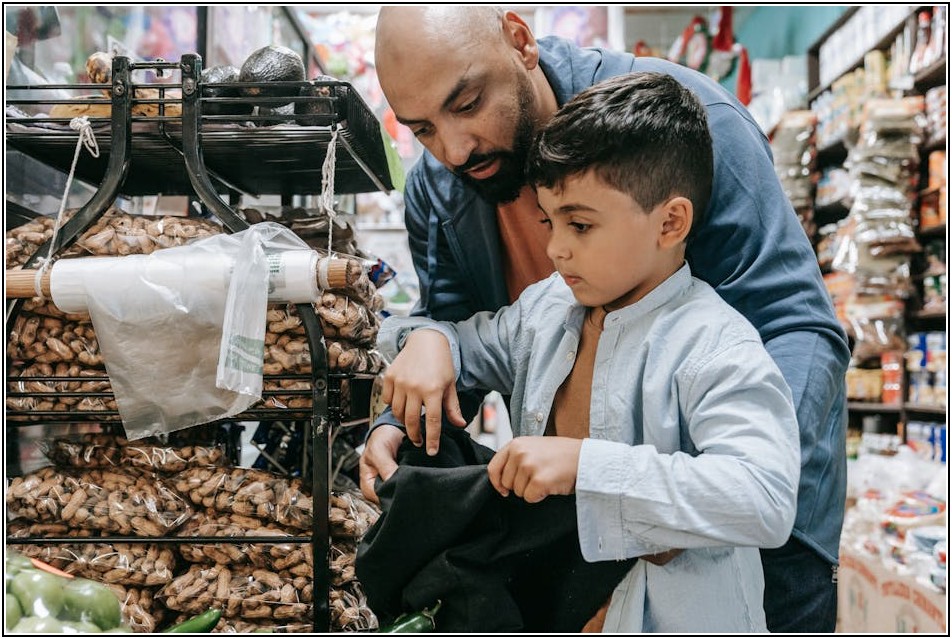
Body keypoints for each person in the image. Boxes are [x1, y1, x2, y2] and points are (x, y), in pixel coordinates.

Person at [362, 6, 850, 633]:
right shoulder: (443, 185)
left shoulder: (683, 128)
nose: (454, 148)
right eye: (422, 128)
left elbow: (794, 327)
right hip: (573, 554)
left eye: (469, 102)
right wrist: (406, 394)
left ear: (520, 42)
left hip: (728, 546)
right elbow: (458, 329)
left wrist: (680, 504)